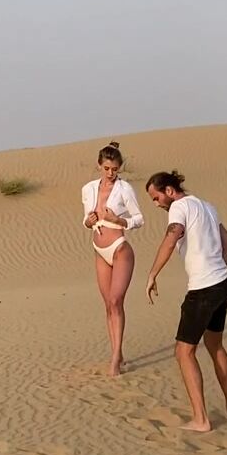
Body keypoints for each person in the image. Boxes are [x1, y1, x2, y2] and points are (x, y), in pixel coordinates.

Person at [144, 170, 227, 432]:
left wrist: (152, 274)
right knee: (215, 345)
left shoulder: (179, 207)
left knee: (183, 352)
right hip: (224, 284)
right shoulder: (208, 207)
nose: (156, 204)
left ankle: (201, 419)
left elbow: (171, 237)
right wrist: (214, 269)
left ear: (169, 191)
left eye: (156, 198)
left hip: (204, 290)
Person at [81, 141, 144, 376]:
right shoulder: (88, 189)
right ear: (99, 165)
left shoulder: (125, 189)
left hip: (119, 249)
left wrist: (119, 220)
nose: (110, 173)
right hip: (99, 251)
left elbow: (139, 219)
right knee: (108, 304)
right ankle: (117, 352)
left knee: (117, 301)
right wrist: (87, 222)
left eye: (115, 169)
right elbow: (87, 220)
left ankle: (116, 358)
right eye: (107, 168)